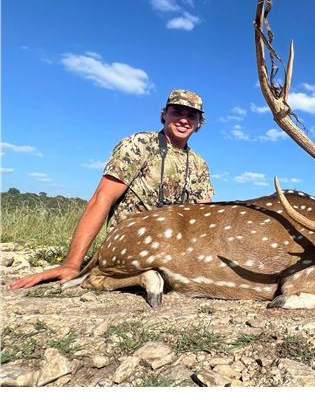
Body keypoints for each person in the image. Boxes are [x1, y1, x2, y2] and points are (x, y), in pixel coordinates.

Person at [10, 89, 214, 291]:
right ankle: (121, 276)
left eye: (191, 115)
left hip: (172, 249)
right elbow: (102, 198)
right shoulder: (139, 145)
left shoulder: (199, 165)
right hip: (133, 243)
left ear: (199, 123)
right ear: (164, 114)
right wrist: (71, 264)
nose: (183, 120)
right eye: (177, 112)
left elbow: (203, 218)